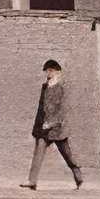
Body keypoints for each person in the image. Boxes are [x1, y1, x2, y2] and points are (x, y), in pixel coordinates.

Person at [25, 58, 85, 190]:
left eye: (51, 71)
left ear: (58, 72)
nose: (48, 73)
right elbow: (41, 108)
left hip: (58, 129)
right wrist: (39, 125)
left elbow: (62, 109)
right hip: (44, 128)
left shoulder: (62, 88)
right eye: (47, 71)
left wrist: (51, 123)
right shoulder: (45, 87)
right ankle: (32, 181)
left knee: (68, 156)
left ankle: (78, 175)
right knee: (38, 154)